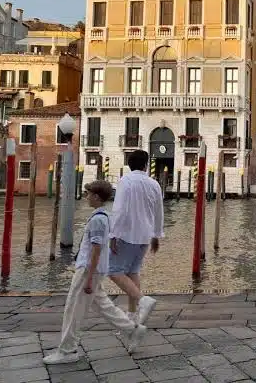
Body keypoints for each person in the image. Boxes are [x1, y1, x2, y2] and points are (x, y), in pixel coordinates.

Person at [43, 180, 147, 365]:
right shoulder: (104, 216)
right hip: (94, 269)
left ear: (97, 197)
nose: (86, 197)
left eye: (88, 194)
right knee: (104, 306)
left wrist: (89, 279)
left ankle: (68, 350)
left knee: (73, 309)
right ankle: (132, 329)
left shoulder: (99, 219)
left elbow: (96, 250)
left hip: (87, 270)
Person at [109, 150, 162, 325]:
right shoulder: (154, 184)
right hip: (145, 236)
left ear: (129, 165)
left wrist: (113, 234)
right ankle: (133, 315)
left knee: (114, 270)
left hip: (127, 234)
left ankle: (142, 300)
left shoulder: (125, 181)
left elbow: (119, 209)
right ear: (146, 165)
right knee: (133, 272)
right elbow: (158, 212)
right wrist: (156, 235)